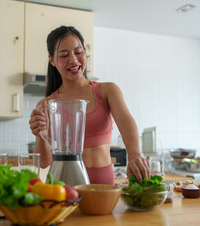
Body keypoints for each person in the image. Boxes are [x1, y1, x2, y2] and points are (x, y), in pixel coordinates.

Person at [29, 26, 150, 184]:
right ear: (52, 60)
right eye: (64, 55)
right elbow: (44, 162)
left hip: (104, 185)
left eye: (78, 52)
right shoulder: (47, 104)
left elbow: (126, 121)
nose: (73, 60)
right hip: (64, 185)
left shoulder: (108, 91)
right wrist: (40, 134)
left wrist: (135, 155)